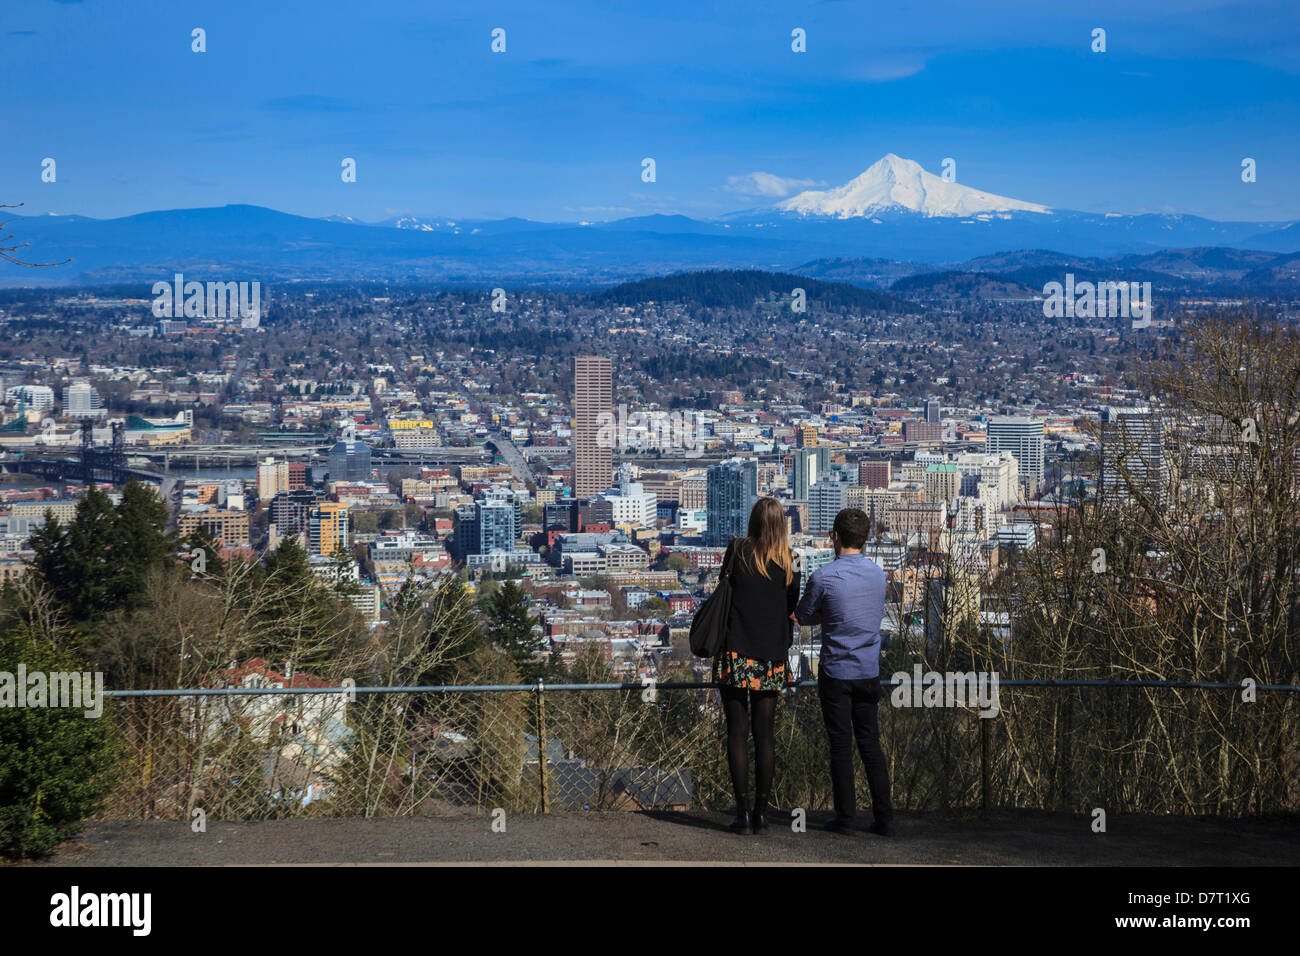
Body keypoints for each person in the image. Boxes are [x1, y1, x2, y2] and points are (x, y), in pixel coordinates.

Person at [793, 507, 894, 836]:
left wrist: (824, 614)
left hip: (836, 672)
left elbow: (804, 615)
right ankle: (885, 818)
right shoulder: (878, 574)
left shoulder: (823, 577)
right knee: (871, 744)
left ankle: (846, 817)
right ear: (864, 539)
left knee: (841, 746)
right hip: (868, 671)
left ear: (834, 537)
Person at [713, 496, 800, 835]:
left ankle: (742, 812)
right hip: (771, 656)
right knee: (764, 735)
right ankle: (762, 812)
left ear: (753, 522)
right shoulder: (788, 563)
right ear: (781, 525)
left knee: (736, 733)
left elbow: (724, 587)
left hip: (736, 653)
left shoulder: (737, 551)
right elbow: (790, 606)